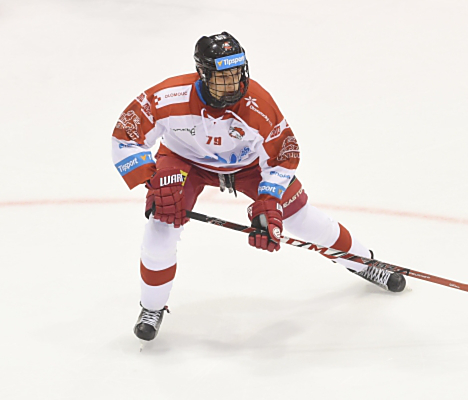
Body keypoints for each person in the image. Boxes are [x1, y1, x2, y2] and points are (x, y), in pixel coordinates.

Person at [111, 32, 406, 342]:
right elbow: (125, 134)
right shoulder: (167, 96)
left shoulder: (259, 104)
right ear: (203, 73)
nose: (234, 82)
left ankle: (364, 262)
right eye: (224, 76)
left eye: (237, 72)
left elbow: (282, 156)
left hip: (250, 166)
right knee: (161, 226)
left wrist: (270, 198)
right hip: (185, 162)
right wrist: (151, 178)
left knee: (302, 218)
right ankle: (152, 308)